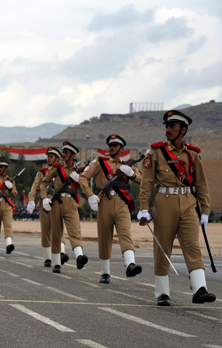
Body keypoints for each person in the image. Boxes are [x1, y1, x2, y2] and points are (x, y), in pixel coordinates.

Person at [138, 110, 215, 306]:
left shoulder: (193, 154)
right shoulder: (155, 152)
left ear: (183, 129)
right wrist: (144, 207)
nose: (168, 129)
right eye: (167, 126)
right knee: (163, 247)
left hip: (189, 203)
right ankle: (162, 293)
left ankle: (200, 289)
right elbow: (146, 183)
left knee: (192, 245)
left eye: (172, 126)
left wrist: (205, 211)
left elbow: (201, 185)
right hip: (165, 202)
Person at [79, 134, 142, 283]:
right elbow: (83, 177)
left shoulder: (127, 165)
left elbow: (144, 180)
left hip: (122, 203)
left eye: (115, 145)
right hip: (105, 203)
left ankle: (130, 264)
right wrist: (90, 195)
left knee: (125, 234)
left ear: (121, 149)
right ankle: (105, 272)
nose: (111, 148)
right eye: (110, 145)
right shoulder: (100, 163)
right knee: (104, 237)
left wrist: (132, 174)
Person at [39, 141, 89, 274]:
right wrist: (44, 198)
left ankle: (79, 256)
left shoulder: (78, 171)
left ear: (73, 155)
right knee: (57, 233)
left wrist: (79, 180)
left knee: (75, 230)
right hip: (57, 203)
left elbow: (84, 187)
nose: (63, 155)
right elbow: (44, 183)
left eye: (66, 153)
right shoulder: (57, 168)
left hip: (71, 203)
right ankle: (56, 263)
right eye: (63, 152)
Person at [26, 147, 69, 267]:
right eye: (48, 156)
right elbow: (35, 187)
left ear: (57, 158)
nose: (48, 158)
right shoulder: (42, 173)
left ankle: (61, 253)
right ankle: (48, 258)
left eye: (51, 156)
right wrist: (31, 200)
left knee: (59, 230)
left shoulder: (63, 171)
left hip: (58, 202)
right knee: (46, 230)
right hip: (44, 204)